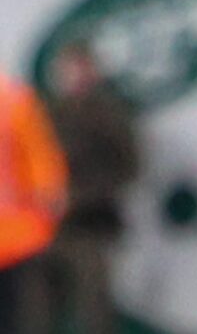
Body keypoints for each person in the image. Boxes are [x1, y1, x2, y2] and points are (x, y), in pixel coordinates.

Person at [36, 43, 140, 334]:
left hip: (90, 225)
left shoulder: (110, 113)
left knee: (94, 311)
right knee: (38, 312)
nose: (76, 75)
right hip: (46, 229)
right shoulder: (47, 112)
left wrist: (80, 195)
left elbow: (130, 167)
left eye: (82, 67)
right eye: (70, 68)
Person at [0, 70, 67, 333]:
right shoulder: (15, 97)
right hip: (20, 235)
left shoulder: (14, 100)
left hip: (18, 238)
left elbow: (43, 168)